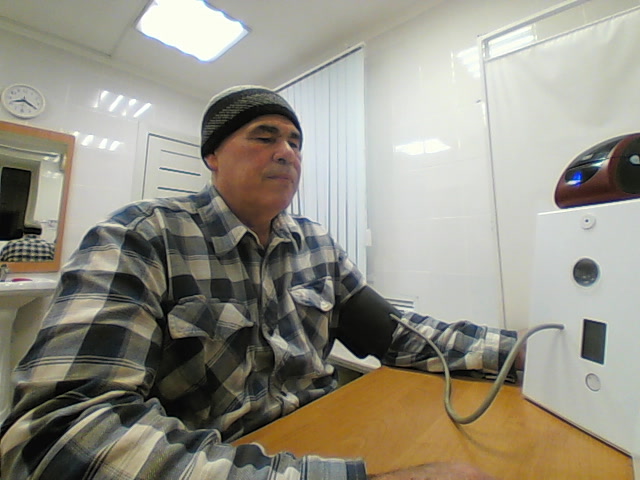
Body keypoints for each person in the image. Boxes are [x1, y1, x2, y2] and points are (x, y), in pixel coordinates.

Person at [0, 86, 518, 480]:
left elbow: (401, 335)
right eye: (265, 137)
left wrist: (520, 353)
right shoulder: (141, 237)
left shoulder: (317, 245)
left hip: (326, 441)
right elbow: (59, 433)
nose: (287, 152)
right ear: (212, 156)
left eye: (295, 142)